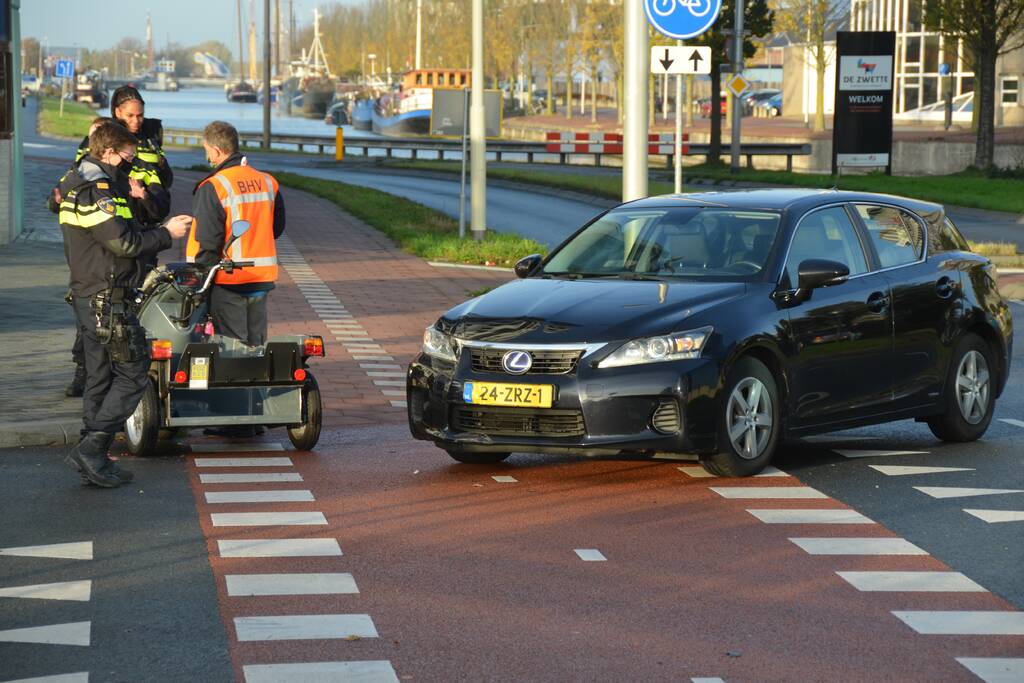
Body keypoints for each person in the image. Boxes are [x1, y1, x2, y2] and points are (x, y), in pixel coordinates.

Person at [59, 122, 190, 487]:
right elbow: (123, 244)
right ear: (108, 151)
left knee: (100, 376)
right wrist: (167, 234)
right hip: (105, 296)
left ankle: (93, 457)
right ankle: (92, 449)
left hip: (93, 294)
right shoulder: (95, 190)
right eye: (127, 156)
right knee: (134, 372)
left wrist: (134, 197)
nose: (131, 163)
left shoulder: (84, 181)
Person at [186, 120, 285, 348]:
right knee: (257, 345)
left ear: (216, 150)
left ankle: (240, 384)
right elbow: (276, 228)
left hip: (228, 280)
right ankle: (258, 384)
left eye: (207, 151)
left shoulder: (214, 186)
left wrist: (203, 282)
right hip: (260, 279)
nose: (207, 157)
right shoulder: (268, 182)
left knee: (233, 348)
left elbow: (208, 242)